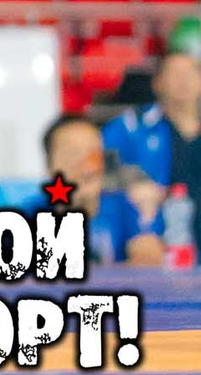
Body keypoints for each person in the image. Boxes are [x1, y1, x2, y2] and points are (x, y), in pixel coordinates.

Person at [48, 112, 165, 266]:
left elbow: (149, 259)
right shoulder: (29, 213)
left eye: (92, 152)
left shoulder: (129, 206)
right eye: (72, 153)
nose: (85, 164)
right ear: (49, 165)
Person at [106, 51, 201, 194]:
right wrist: (130, 181)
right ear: (157, 83)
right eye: (175, 73)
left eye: (191, 72)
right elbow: (99, 163)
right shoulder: (131, 125)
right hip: (150, 213)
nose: (184, 80)